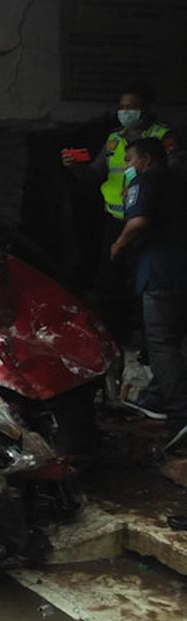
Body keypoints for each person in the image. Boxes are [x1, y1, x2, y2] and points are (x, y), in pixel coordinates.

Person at [64, 87, 172, 362]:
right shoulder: (114, 140)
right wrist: (76, 166)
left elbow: (172, 176)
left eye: (132, 107)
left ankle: (150, 346)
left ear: (145, 108)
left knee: (146, 288)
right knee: (108, 282)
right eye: (122, 107)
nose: (125, 112)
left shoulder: (161, 137)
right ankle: (113, 340)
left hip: (146, 224)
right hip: (115, 221)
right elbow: (93, 175)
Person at [109, 138, 187, 454]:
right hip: (181, 273)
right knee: (177, 341)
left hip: (161, 274)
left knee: (161, 343)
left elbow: (138, 221)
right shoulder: (179, 182)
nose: (127, 167)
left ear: (145, 160)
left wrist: (118, 245)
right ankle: (156, 400)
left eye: (129, 160)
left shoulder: (145, 181)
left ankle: (180, 415)